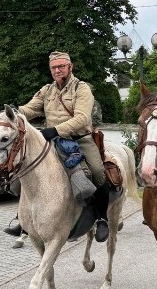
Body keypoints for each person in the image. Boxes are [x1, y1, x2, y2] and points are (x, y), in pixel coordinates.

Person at [10, 51, 111, 243]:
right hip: (52, 140)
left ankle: (101, 218)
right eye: (54, 68)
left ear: (70, 67)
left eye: (61, 66)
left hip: (80, 139)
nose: (57, 70)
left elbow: (82, 118)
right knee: (25, 170)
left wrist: (55, 130)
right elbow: (32, 108)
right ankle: (23, 220)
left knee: (98, 172)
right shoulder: (47, 90)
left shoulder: (81, 89)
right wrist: (17, 111)